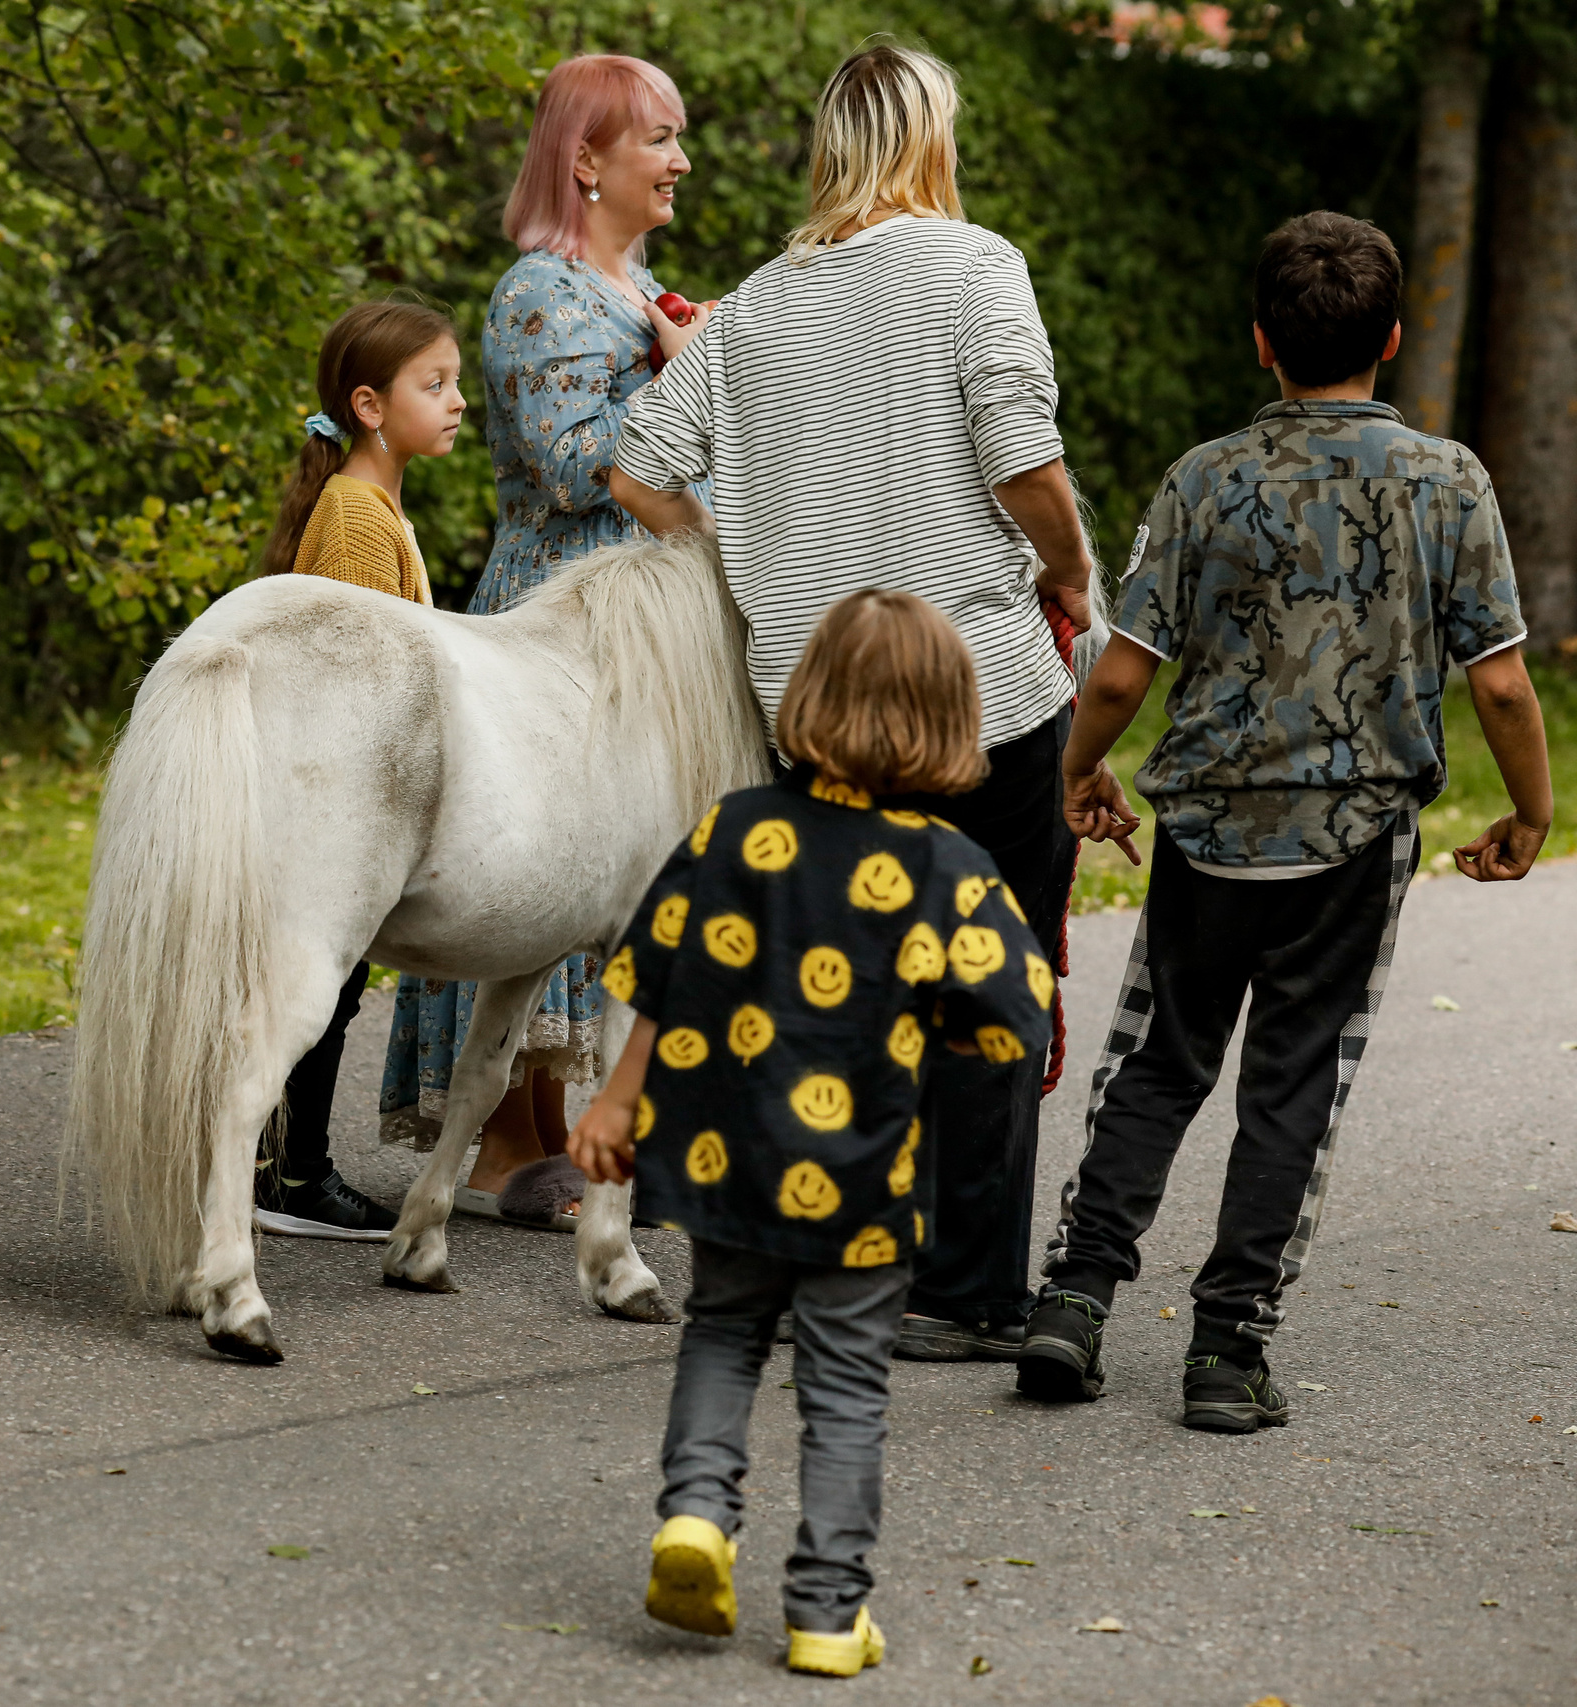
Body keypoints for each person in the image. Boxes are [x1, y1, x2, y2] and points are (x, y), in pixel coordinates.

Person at [1022, 211, 1551, 1431]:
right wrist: (1530, 811)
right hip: (1356, 841)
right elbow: (1506, 682)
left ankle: (1073, 1299)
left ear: (1261, 343)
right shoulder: (1446, 479)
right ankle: (1224, 1351)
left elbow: (1117, 671)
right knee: (1292, 1092)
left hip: (1206, 831)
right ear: (1397, 338)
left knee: (1155, 1065)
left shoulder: (1203, 477)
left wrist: (1080, 770)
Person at [612, 42, 1092, 1360]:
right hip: (977, 692)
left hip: (811, 697)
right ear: (932, 137)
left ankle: (830, 1245)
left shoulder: (758, 306)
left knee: (840, 972)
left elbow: (640, 468)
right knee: (992, 991)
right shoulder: (977, 267)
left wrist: (752, 562)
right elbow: (1026, 462)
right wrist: (1068, 570)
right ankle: (966, 1290)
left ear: (829, 149)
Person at [568, 590, 1052, 1678]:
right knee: (842, 1390)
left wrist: (611, 1107)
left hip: (724, 1164)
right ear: (949, 720)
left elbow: (654, 971)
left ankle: (694, 1518)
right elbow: (1014, 1021)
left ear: (808, 698)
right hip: (861, 1187)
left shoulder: (736, 827)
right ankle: (827, 1616)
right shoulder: (950, 872)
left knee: (724, 1337)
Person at [381, 52, 707, 1232]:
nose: (679, 161)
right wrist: (687, 380)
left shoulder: (638, 286)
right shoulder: (539, 292)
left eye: (676, 139)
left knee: (616, 858)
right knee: (537, 849)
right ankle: (503, 1143)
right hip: (560, 601)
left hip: (643, 613)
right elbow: (579, 468)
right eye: (658, 140)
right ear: (585, 161)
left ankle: (577, 1118)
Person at [246, 300, 463, 1240]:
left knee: (334, 989)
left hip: (347, 802)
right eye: (437, 385)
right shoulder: (355, 517)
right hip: (333, 800)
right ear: (370, 405)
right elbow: (359, 678)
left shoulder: (375, 503)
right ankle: (289, 1173)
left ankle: (284, 1165)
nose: (460, 402)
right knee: (321, 990)